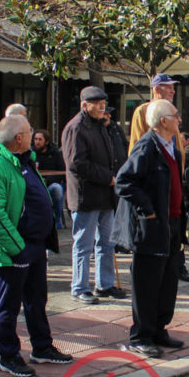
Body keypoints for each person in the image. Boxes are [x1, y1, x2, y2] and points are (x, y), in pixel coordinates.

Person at [0, 115, 73, 377]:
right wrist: (16, 247)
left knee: (37, 300)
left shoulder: (22, 161)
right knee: (10, 304)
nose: (32, 135)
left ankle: (42, 347)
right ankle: (9, 355)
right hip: (16, 247)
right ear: (19, 138)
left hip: (35, 245)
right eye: (29, 132)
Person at [114, 99, 188, 358]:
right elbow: (124, 182)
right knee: (146, 283)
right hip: (151, 226)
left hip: (172, 223)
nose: (179, 119)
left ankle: (158, 329)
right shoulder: (147, 147)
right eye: (176, 115)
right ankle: (141, 335)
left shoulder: (172, 148)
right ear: (163, 120)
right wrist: (148, 209)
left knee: (168, 281)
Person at [61, 86, 125, 305]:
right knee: (83, 244)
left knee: (107, 242)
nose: (101, 107)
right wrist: (108, 177)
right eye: (96, 103)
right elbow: (76, 163)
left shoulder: (101, 126)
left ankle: (104, 284)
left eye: (103, 103)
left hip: (106, 195)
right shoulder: (76, 128)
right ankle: (79, 287)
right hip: (86, 195)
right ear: (84, 105)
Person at [126, 73, 189, 282]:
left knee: (177, 223)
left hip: (173, 179)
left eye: (173, 87)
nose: (173, 90)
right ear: (156, 89)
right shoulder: (144, 111)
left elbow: (176, 146)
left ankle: (178, 264)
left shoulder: (171, 113)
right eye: (168, 87)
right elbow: (137, 145)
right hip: (156, 181)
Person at [31, 129, 66, 229]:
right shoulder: (31, 153)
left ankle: (56, 219)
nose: (37, 142)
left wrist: (49, 179)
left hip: (51, 184)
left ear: (46, 141)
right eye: (35, 139)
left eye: (40, 139)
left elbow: (62, 172)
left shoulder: (55, 153)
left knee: (57, 189)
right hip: (36, 184)